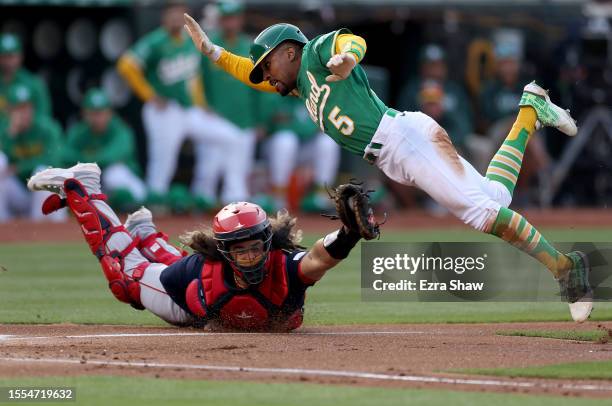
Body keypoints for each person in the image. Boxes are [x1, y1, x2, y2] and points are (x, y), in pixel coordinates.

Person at [183, 15, 592, 322]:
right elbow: (250, 76)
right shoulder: (302, 84)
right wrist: (213, 52)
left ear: (288, 51)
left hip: (404, 140)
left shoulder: (312, 54)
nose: (266, 77)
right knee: (496, 199)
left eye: (268, 66)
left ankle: (566, 268)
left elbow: (351, 40)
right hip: (398, 152)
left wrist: (347, 58)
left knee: (483, 213)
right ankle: (530, 109)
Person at [27, 162, 364, 331]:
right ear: (225, 253)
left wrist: (349, 233)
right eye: (239, 250)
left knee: (163, 266)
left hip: (202, 297)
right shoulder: (201, 271)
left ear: (268, 242)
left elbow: (321, 257)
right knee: (125, 278)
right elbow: (166, 274)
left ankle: (145, 231)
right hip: (187, 305)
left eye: (256, 247)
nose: (250, 256)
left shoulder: (286, 267)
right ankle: (84, 188)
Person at [116, 0, 240, 205]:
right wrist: (149, 94)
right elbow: (126, 65)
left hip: (189, 110)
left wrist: (201, 104)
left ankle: (226, 195)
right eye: (172, 14)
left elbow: (194, 79)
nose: (175, 19)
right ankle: (154, 205)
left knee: (230, 137)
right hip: (164, 110)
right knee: (163, 163)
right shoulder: (156, 41)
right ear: (164, 18)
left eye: (180, 14)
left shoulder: (189, 39)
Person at [197, 0, 262, 205]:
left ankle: (236, 218)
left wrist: (260, 120)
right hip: (216, 120)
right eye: (226, 18)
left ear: (240, 19)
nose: (230, 23)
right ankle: (194, 215)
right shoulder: (209, 46)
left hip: (245, 121)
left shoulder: (252, 47)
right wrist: (203, 108)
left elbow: (262, 88)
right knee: (208, 171)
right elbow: (198, 82)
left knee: (239, 175)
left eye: (233, 18)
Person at [64, 88, 147, 210]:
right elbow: (63, 154)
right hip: (97, 185)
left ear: (109, 113)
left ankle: (135, 205)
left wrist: (82, 159)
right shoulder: (79, 132)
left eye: (101, 113)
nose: (97, 118)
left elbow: (110, 157)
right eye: (93, 113)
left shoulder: (120, 129)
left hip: (127, 182)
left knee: (113, 173)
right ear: (84, 113)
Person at [260, 92, 340, 212]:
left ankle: (321, 195)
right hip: (274, 149)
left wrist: (296, 125)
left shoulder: (315, 94)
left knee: (327, 141)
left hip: (305, 147)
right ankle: (278, 197)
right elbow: (267, 127)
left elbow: (325, 126)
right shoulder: (275, 93)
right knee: (286, 140)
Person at [0, 84, 64, 222]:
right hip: (18, 192)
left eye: (26, 107)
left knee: (42, 173)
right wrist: (10, 136)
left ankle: (39, 230)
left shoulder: (47, 128)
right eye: (18, 108)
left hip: (44, 196)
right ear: (9, 111)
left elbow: (53, 161)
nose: (23, 113)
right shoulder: (5, 131)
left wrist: (20, 167)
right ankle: (3, 226)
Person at [0, 33, 52, 121]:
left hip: (26, 133)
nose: (7, 61)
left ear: (20, 56)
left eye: (11, 56)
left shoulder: (33, 84)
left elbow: (44, 117)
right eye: (3, 56)